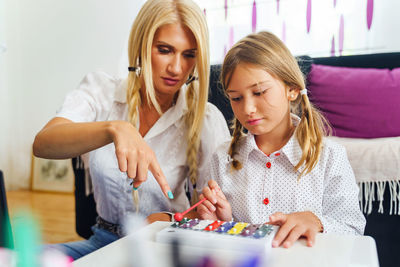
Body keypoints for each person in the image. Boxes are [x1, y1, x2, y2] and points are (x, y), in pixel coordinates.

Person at [33, 0, 230, 260]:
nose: (176, 68)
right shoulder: (101, 91)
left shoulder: (205, 119)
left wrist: (169, 218)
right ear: (141, 45)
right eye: (165, 50)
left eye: (189, 55)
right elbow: (43, 144)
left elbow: (215, 210)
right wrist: (115, 129)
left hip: (163, 246)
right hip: (102, 241)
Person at [197, 31, 366, 249]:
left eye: (259, 92)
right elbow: (222, 242)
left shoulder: (330, 157)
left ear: (292, 89)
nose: (247, 108)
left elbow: (353, 229)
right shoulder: (222, 159)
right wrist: (221, 222)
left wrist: (317, 222)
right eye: (236, 98)